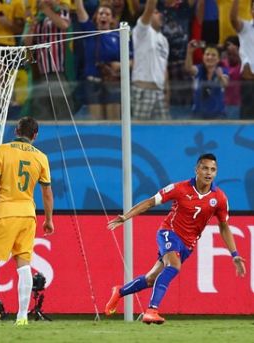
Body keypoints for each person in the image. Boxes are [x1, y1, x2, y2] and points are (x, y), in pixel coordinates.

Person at [104, 153, 246, 324]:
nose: (209, 173)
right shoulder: (179, 188)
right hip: (168, 232)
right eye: (205, 168)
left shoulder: (219, 198)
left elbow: (224, 226)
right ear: (197, 170)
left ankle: (119, 292)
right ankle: (151, 310)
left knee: (151, 279)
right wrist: (125, 217)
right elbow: (150, 202)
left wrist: (234, 254)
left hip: (187, 244)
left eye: (213, 169)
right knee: (174, 266)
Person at [0, 117, 54, 326]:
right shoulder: (41, 157)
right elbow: (47, 192)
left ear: (16, 131)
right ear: (35, 135)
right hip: (28, 214)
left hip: (5, 211)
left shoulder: (2, 150)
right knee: (23, 263)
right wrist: (48, 219)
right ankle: (22, 318)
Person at [131, 0, 169, 120]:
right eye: (156, 12)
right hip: (143, 91)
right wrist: (151, 7)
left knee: (163, 133)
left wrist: (167, 92)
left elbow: (164, 68)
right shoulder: (141, 31)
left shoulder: (164, 40)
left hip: (159, 92)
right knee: (139, 133)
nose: (160, 14)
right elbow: (149, 7)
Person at [184, 43, 229, 119]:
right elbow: (188, 69)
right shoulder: (198, 69)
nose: (210, 57)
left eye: (213, 55)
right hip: (198, 115)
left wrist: (220, 77)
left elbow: (225, 84)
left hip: (218, 116)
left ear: (218, 59)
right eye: (207, 54)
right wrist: (189, 52)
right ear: (203, 57)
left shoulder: (222, 71)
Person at [230, 0, 254, 119]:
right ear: (251, 11)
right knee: (247, 124)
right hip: (249, 84)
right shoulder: (246, 27)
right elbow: (233, 19)